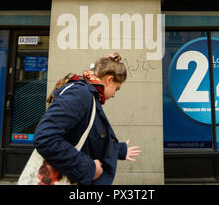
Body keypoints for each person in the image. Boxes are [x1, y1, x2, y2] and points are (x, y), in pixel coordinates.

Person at [34, 53, 141, 185]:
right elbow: (45, 138)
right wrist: (87, 167)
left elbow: (84, 137)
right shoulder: (81, 94)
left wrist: (118, 150)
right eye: (116, 89)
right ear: (109, 80)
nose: (114, 95)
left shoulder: (89, 96)